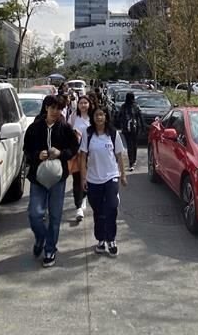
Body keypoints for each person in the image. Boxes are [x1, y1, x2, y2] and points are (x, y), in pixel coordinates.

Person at [23, 95, 79, 268]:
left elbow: (74, 147)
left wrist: (61, 153)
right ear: (46, 108)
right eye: (52, 108)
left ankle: (50, 249)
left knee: (55, 216)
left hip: (58, 178)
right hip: (38, 178)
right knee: (35, 214)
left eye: (59, 108)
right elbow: (27, 150)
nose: (55, 111)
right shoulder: (34, 128)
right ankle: (41, 238)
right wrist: (36, 155)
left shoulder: (65, 128)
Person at [80, 107, 127, 257]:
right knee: (98, 211)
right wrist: (83, 178)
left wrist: (123, 174)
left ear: (106, 117)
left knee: (112, 207)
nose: (99, 117)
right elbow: (82, 157)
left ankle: (111, 239)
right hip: (93, 178)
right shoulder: (88, 134)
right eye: (96, 115)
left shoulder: (113, 134)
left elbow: (119, 155)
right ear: (93, 118)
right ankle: (101, 239)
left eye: (102, 115)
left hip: (111, 176)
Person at [68, 95, 93, 222]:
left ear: (89, 104)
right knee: (77, 178)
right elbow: (67, 133)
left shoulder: (93, 118)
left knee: (87, 178)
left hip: (91, 154)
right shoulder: (73, 117)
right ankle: (78, 206)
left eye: (85, 103)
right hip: (77, 154)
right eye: (81, 103)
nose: (83, 105)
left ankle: (84, 198)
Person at [114, 92, 142, 171]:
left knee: (130, 145)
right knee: (134, 144)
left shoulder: (123, 106)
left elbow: (119, 117)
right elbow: (140, 117)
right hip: (135, 128)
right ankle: (133, 160)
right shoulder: (136, 106)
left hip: (126, 128)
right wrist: (142, 127)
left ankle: (131, 162)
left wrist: (119, 124)